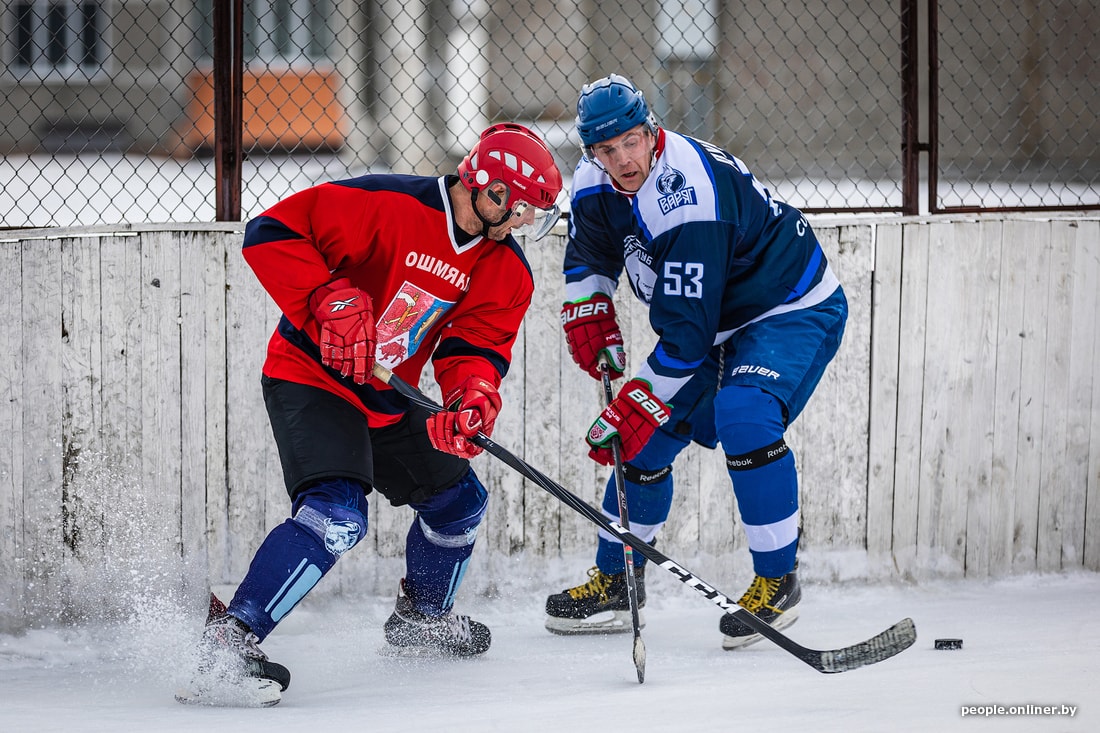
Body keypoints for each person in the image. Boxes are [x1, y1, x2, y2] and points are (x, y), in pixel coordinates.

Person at [177, 123, 563, 707]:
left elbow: (475, 346)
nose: (527, 221)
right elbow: (272, 231)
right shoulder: (386, 203)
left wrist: (470, 398)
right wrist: (327, 297)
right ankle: (227, 644)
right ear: (492, 190)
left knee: (459, 503)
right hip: (311, 376)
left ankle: (423, 620)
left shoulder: (506, 267)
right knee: (336, 516)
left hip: (386, 393)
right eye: (524, 206)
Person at [545, 75, 847, 649]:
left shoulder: (687, 194)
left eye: (631, 142)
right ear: (590, 152)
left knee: (744, 413)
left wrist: (638, 398)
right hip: (712, 318)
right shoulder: (592, 181)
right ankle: (617, 580)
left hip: (786, 304)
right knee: (644, 441)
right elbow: (590, 252)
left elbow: (686, 338)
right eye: (606, 149)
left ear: (650, 130)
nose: (622, 159)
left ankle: (778, 582)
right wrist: (588, 305)